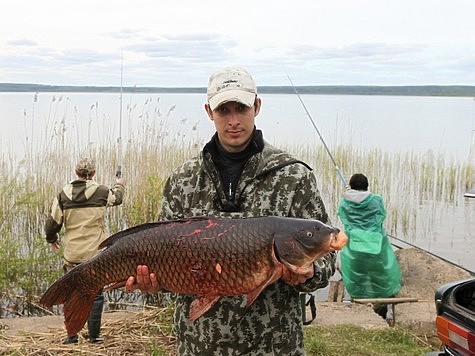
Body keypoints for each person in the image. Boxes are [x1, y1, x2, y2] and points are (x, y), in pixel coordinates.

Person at [125, 66, 337, 355]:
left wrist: (310, 271)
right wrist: (153, 283)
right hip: (199, 343)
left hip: (274, 345)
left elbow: (327, 261)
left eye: (242, 108)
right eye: (224, 110)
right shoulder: (183, 179)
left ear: (257, 106)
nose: (234, 120)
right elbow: (165, 265)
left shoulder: (293, 176)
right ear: (209, 112)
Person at [44, 156, 125, 344]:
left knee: (72, 295)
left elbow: (52, 223)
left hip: (72, 255)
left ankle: (71, 337)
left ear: (76, 172)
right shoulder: (102, 191)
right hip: (95, 256)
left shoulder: (63, 194)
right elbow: (118, 199)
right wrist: (119, 184)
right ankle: (94, 336)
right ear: (94, 173)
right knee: (96, 295)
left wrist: (51, 239)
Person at [337, 173, 401, 320]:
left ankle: (359, 296)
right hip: (376, 242)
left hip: (354, 243)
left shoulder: (344, 202)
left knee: (357, 271)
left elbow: (344, 217)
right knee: (380, 270)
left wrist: (350, 195)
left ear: (351, 186)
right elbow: (379, 217)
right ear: (367, 186)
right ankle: (380, 301)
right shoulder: (376, 200)